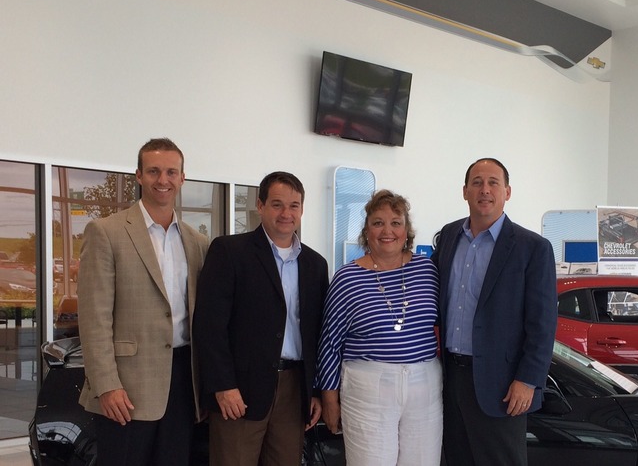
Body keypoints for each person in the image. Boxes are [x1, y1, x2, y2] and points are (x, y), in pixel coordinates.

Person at [77, 138, 209, 466]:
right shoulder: (106, 232)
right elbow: (94, 317)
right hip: (127, 386)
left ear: (182, 178)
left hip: (183, 383)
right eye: (153, 171)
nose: (162, 180)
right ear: (138, 175)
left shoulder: (198, 242)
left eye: (170, 172)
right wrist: (106, 384)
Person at [193, 171, 329, 466]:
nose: (286, 213)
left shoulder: (316, 265)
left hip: (294, 390)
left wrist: (315, 391)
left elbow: (318, 333)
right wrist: (223, 385)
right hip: (240, 389)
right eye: (277, 204)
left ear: (302, 210)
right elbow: (209, 325)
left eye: (294, 205)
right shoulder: (229, 252)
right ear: (260, 205)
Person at [431, 158, 557, 466]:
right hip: (450, 379)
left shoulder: (533, 248)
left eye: (493, 183)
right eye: (476, 182)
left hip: (502, 386)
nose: (484, 190)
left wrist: (528, 380)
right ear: (465, 191)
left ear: (507, 192)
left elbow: (542, 324)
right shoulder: (448, 237)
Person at [317, 189, 442, 466]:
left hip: (425, 386)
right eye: (378, 222)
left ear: (407, 230)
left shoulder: (428, 270)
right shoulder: (347, 278)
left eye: (396, 222)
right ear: (367, 230)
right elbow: (329, 343)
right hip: (368, 388)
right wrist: (330, 398)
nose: (388, 231)